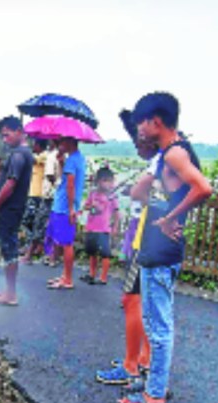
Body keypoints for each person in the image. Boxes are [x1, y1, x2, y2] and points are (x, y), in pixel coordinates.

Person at [117, 92, 212, 403]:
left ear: (155, 121)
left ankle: (154, 393)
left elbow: (204, 188)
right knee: (154, 319)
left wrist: (171, 217)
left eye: (141, 123)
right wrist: (169, 211)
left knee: (159, 327)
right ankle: (153, 383)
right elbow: (145, 192)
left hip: (161, 252)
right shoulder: (171, 152)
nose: (139, 130)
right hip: (156, 248)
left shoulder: (174, 154)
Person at [96, 110, 158, 388]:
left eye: (138, 139)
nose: (136, 146)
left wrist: (133, 189)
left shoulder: (160, 163)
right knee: (141, 303)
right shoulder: (162, 161)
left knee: (132, 301)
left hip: (147, 241)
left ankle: (131, 365)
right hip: (147, 240)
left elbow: (145, 196)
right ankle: (142, 359)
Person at [0, 116, 35, 306]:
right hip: (13, 209)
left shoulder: (18, 155)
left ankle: (11, 294)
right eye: (2, 136)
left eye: (7, 135)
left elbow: (11, 182)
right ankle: (8, 290)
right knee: (8, 248)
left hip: (10, 209)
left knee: (9, 249)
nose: (4, 139)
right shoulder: (20, 153)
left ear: (18, 131)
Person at [45, 137, 87, 289]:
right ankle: (64, 275)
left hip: (64, 207)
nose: (60, 145)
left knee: (66, 243)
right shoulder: (77, 158)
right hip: (63, 206)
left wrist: (71, 209)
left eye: (62, 142)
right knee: (63, 242)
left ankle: (68, 279)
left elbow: (70, 185)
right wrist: (61, 161)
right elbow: (66, 179)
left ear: (70, 142)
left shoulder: (73, 160)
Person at [80, 167, 120, 285]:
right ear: (98, 181)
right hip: (91, 227)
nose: (108, 184)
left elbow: (117, 213)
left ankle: (103, 277)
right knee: (92, 252)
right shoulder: (93, 194)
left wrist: (115, 227)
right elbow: (86, 206)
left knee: (105, 253)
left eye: (110, 181)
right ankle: (92, 274)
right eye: (105, 180)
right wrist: (92, 205)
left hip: (104, 229)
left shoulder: (112, 197)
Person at [21, 140, 50, 262]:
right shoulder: (38, 157)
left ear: (39, 145)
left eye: (35, 144)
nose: (33, 146)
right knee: (30, 222)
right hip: (32, 194)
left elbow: (32, 159)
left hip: (38, 195)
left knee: (32, 222)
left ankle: (33, 248)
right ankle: (34, 246)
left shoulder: (45, 156)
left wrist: (24, 149)